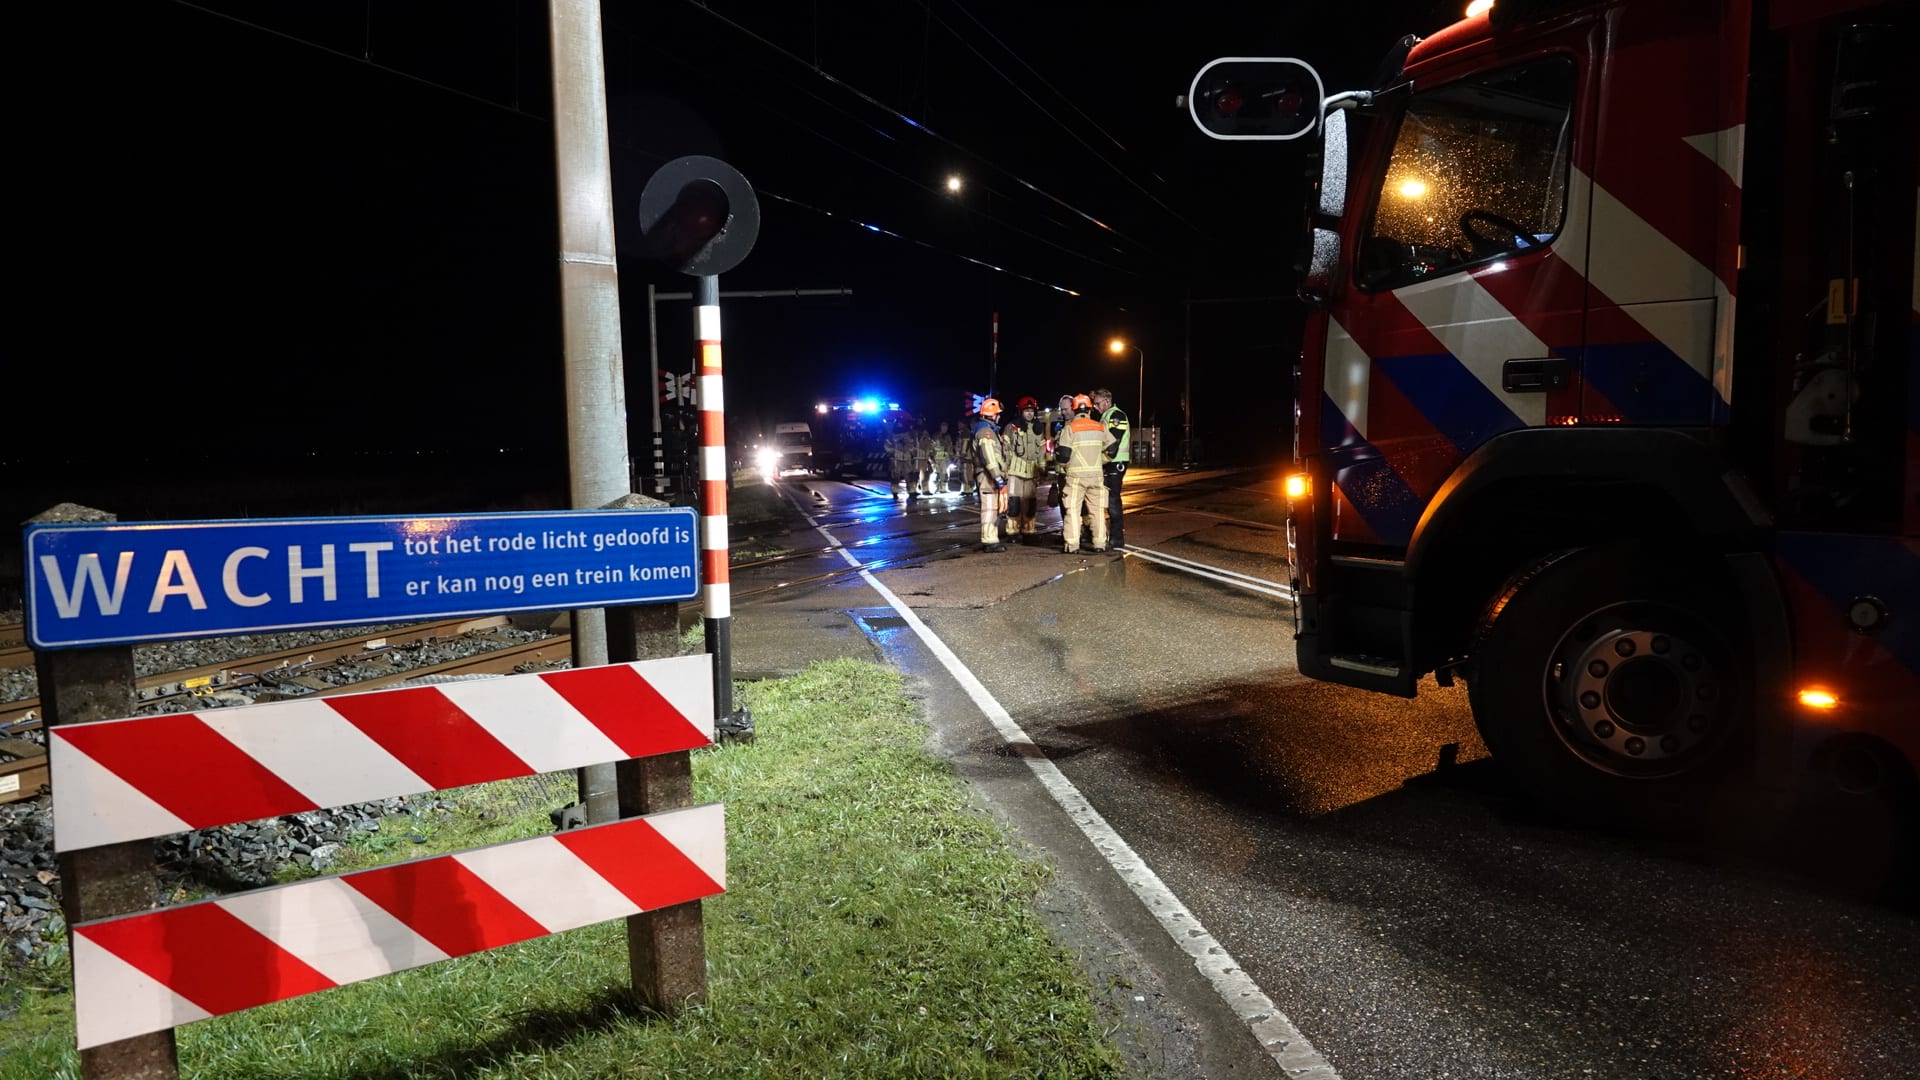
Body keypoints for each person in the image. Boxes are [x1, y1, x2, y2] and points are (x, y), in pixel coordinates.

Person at [1058, 393, 1115, 554]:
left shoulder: (1070, 428)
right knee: (1097, 511)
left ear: (1074, 410)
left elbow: (1063, 456)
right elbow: (1112, 449)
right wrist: (1100, 461)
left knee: (1073, 511)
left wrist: (1067, 467)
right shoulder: (1100, 427)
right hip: (1096, 476)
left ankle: (1072, 545)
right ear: (1090, 409)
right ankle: (1100, 543)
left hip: (1075, 478)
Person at [1002, 397, 1048, 541]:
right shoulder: (1012, 427)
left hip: (1032, 470)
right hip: (1015, 470)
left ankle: (1028, 531)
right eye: (1026, 410)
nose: (1029, 413)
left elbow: (1041, 451)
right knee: (1014, 502)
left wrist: (1042, 468)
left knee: (1030, 503)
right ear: (1020, 412)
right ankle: (1013, 532)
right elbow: (1006, 450)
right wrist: (1004, 469)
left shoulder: (1038, 428)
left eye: (1031, 411)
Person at [1091, 387, 1131, 549]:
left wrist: (1100, 460)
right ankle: (1111, 537)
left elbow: (1112, 443)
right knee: (1108, 500)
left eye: (1097, 403)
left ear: (1107, 401)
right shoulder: (1105, 416)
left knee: (1113, 500)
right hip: (1109, 462)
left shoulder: (1116, 416)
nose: (1095, 407)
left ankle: (1117, 538)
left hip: (1116, 462)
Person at [971, 398, 1011, 551]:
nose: (999, 417)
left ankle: (991, 538)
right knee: (989, 508)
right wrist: (998, 478)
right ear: (993, 415)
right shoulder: (986, 432)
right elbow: (989, 457)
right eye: (998, 414)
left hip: (990, 475)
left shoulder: (987, 430)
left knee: (994, 507)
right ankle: (989, 541)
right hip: (988, 476)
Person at [887, 417, 919, 502]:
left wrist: (912, 454)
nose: (900, 425)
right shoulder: (892, 435)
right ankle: (895, 493)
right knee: (895, 476)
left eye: (901, 424)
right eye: (899, 424)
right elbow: (887, 445)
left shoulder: (907, 434)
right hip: (897, 458)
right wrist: (893, 452)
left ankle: (911, 492)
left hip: (906, 458)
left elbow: (912, 445)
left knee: (909, 476)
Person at [929, 420, 955, 495]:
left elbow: (950, 447)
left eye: (946, 427)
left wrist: (952, 456)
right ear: (940, 427)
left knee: (944, 474)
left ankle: (943, 488)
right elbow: (931, 446)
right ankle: (936, 488)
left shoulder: (948, 436)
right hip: (936, 458)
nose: (944, 428)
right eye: (943, 426)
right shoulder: (935, 436)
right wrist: (931, 457)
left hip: (945, 459)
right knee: (936, 473)